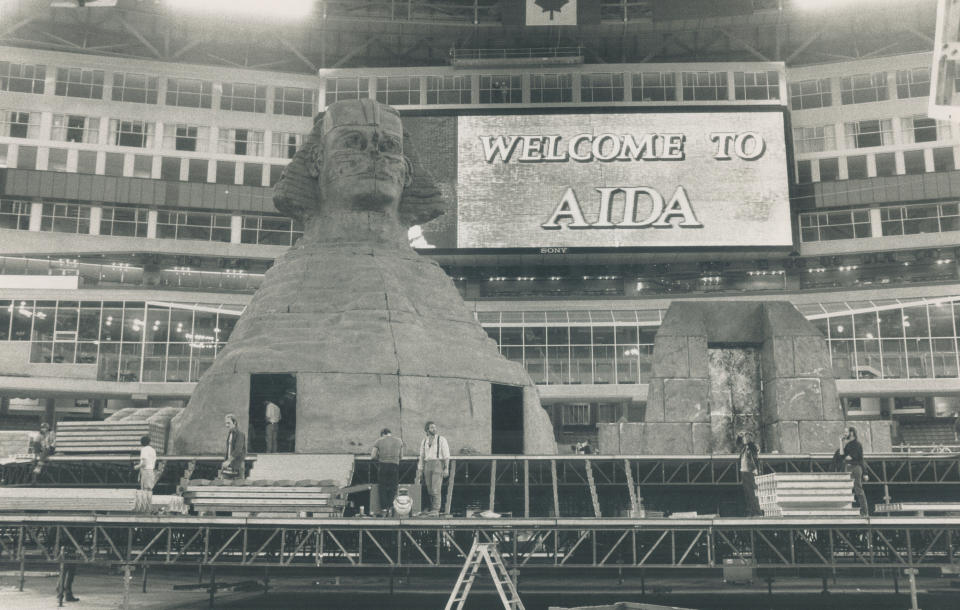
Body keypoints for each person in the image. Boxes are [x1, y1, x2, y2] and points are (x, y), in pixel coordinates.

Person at [416, 421, 449, 516]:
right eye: (432, 427)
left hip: (438, 463)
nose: (434, 429)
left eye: (435, 427)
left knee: (436, 488)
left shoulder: (441, 439)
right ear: (427, 430)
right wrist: (420, 470)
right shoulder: (424, 441)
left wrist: (446, 468)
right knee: (429, 488)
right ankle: (431, 508)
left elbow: (446, 455)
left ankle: (436, 509)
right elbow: (421, 456)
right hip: (427, 464)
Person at [371, 428, 403, 515]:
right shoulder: (399, 441)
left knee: (383, 488)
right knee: (393, 487)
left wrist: (380, 458)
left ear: (382, 434)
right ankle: (391, 508)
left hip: (383, 465)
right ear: (390, 433)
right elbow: (401, 456)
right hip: (394, 466)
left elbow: (373, 456)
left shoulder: (378, 441)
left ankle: (384, 509)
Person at [841, 426, 869, 516]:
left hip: (856, 467)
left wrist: (865, 473)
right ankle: (847, 511)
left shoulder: (857, 444)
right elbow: (842, 454)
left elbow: (859, 458)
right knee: (846, 489)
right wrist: (841, 442)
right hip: (848, 467)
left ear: (851, 433)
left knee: (858, 489)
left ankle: (865, 512)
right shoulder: (848, 445)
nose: (845, 434)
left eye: (846, 432)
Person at [736, 431, 762, 517]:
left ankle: (756, 512)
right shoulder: (744, 448)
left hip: (750, 472)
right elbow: (738, 445)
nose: (745, 438)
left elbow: (754, 449)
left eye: (746, 437)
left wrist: (748, 438)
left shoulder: (753, 447)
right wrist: (739, 437)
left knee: (752, 493)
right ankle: (751, 511)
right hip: (744, 471)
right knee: (747, 493)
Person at [221, 414, 246, 480]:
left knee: (238, 486)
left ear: (234, 423)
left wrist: (228, 461)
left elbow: (238, 450)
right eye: (226, 423)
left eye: (228, 423)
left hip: (237, 466)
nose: (226, 425)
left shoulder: (240, 434)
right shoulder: (230, 434)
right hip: (229, 465)